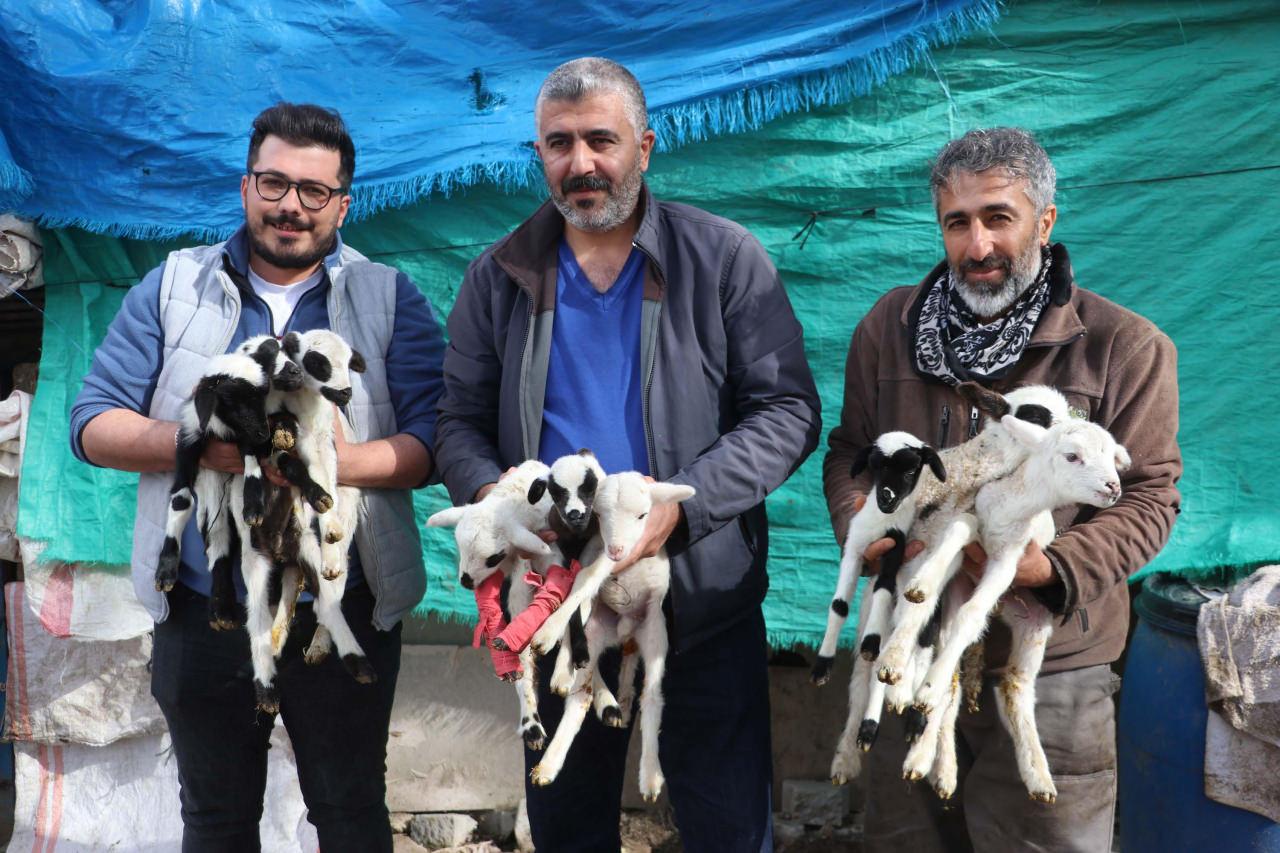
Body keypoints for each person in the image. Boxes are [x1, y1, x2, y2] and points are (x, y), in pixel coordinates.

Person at [434, 57, 821, 851]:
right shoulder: (498, 276)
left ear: (646, 144)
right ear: (537, 153)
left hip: (698, 596)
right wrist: (499, 502)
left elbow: (787, 410)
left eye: (601, 140)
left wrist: (686, 505)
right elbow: (457, 422)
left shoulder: (721, 258)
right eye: (559, 143)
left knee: (726, 824)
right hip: (558, 598)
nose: (581, 164)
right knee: (568, 825)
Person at [69, 102, 445, 852]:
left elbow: (435, 442)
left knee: (348, 811)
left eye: (313, 191)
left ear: (343, 203)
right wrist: (201, 445)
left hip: (343, 602)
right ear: (246, 187)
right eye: (274, 183)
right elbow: (92, 423)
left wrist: (325, 465)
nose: (290, 207)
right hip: (208, 606)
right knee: (214, 818)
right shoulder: (173, 287)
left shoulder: (387, 298)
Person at [823, 127, 1182, 852]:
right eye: (957, 223)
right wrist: (860, 525)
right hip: (912, 644)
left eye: (998, 217)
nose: (977, 244)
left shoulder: (1124, 346)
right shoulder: (887, 331)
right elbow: (849, 454)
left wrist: (1046, 568)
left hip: (1049, 667)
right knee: (904, 841)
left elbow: (1150, 498)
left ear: (1045, 222)